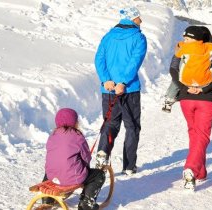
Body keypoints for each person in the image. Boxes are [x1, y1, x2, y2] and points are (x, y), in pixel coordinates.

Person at [168, 26, 212, 189]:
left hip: (186, 98)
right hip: (206, 99)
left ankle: (201, 171)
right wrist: (204, 89)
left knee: (194, 133)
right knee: (202, 135)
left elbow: (173, 69)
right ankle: (191, 168)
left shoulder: (184, 49)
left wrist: (183, 87)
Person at [94, 6, 147, 175]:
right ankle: (129, 166)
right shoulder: (139, 38)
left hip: (108, 90)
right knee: (132, 127)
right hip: (129, 89)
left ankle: (103, 152)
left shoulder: (108, 37)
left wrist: (106, 80)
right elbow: (134, 62)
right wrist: (123, 82)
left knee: (110, 123)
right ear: (133, 19)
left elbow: (99, 59)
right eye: (139, 17)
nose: (141, 20)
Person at [162, 26, 212, 119]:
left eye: (186, 39)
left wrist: (183, 87)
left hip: (186, 81)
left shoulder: (184, 47)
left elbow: (174, 65)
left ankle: (168, 100)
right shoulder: (211, 47)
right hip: (206, 81)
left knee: (176, 79)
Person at [43, 108, 106, 210]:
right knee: (98, 175)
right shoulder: (77, 136)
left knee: (53, 168)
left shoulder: (52, 136)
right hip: (72, 177)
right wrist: (84, 166)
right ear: (75, 122)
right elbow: (86, 158)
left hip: (52, 177)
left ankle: (47, 199)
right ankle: (86, 203)